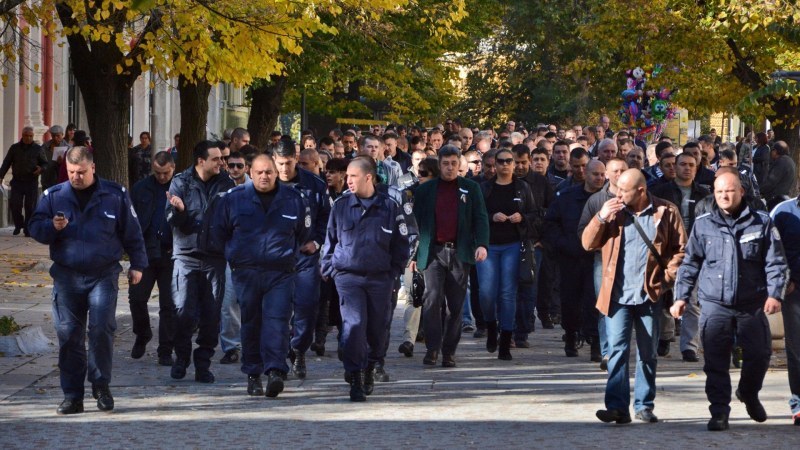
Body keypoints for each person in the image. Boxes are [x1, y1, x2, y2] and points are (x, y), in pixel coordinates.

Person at [29, 146, 147, 415]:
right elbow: (35, 227)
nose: (76, 177)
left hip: (103, 274)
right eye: (71, 172)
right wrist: (52, 227)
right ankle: (73, 395)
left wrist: (138, 264)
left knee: (101, 329)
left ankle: (101, 384)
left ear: (92, 167)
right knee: (69, 335)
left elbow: (132, 231)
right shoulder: (54, 196)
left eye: (81, 172)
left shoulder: (114, 195)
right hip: (67, 277)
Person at [671, 172, 787, 431]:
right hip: (715, 303)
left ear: (742, 192)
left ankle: (748, 392)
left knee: (759, 355)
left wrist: (774, 294)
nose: (724, 196)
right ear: (714, 192)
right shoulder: (703, 224)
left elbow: (775, 262)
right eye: (720, 191)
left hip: (751, 303)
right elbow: (690, 263)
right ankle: (719, 411)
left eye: (730, 191)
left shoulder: (762, 223)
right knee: (716, 360)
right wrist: (680, 297)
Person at [583, 169, 686, 424]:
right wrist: (601, 217)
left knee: (648, 353)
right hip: (617, 295)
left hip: (649, 295)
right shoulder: (613, 213)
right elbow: (587, 243)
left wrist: (665, 281)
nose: (617, 194)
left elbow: (681, 250)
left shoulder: (666, 211)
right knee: (617, 350)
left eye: (623, 190)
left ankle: (644, 405)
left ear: (640, 191)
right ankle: (617, 407)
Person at [206, 154, 310, 398]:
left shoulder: (293, 199)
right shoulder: (233, 199)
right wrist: (236, 259)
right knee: (251, 323)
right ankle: (253, 373)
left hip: (280, 273)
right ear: (250, 173)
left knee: (277, 321)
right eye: (260, 172)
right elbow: (218, 233)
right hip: (246, 272)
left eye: (269, 172)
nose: (264, 176)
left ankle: (275, 370)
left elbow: (302, 234)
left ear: (276, 174)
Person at [320, 158, 409, 402]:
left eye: (353, 176)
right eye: (347, 176)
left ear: (368, 177)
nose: (347, 180)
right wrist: (329, 268)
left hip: (381, 278)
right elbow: (330, 240)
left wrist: (394, 272)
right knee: (354, 325)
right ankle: (355, 375)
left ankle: (371, 365)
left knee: (377, 329)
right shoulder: (341, 206)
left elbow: (401, 245)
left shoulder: (389, 207)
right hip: (348, 277)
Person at [412, 145, 489, 367]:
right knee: (432, 299)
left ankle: (449, 351)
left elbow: (481, 218)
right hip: (433, 251)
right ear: (439, 164)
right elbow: (416, 224)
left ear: (460, 165)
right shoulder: (425, 190)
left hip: (459, 251)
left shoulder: (470, 188)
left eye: (454, 163)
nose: (449, 168)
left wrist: (482, 244)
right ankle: (432, 348)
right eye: (445, 163)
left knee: (455, 305)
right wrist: (415, 254)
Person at [166, 140, 234, 383]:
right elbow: (172, 220)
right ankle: (181, 357)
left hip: (215, 257)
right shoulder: (181, 182)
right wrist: (180, 211)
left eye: (221, 158)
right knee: (184, 311)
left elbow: (233, 218)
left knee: (211, 314)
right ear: (201, 161)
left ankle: (203, 363)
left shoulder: (226, 183)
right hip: (187, 256)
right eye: (216, 159)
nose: (221, 163)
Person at [274, 142, 330, 379]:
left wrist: (316, 242)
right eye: (280, 164)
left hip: (305, 255)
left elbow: (327, 219)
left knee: (307, 308)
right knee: (277, 310)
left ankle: (299, 349)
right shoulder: (266, 183)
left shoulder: (314, 185)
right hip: (275, 257)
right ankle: (279, 356)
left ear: (296, 159)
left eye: (289, 163)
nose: (285, 169)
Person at [477, 148, 538, 359]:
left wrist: (522, 217)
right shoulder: (485, 188)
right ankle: (491, 326)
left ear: (514, 164)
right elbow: (478, 215)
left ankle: (505, 340)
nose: (504, 165)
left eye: (508, 161)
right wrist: (493, 216)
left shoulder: (522, 188)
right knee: (486, 293)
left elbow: (534, 214)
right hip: (489, 245)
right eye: (500, 161)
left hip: (513, 244)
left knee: (507, 293)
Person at [649, 153, 710, 361]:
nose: (687, 168)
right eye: (682, 164)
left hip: (695, 252)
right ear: (675, 166)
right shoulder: (660, 191)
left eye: (691, 164)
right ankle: (665, 336)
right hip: (666, 252)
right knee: (664, 295)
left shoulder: (704, 194)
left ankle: (689, 346)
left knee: (692, 300)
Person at [545, 159, 606, 358]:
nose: (599, 178)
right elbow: (551, 223)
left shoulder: (608, 199)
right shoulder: (567, 197)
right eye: (595, 174)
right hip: (570, 257)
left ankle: (595, 341)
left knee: (594, 301)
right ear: (585, 175)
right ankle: (571, 335)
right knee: (570, 302)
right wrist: (562, 244)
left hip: (596, 258)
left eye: (602, 174)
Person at [578, 158, 629, 369]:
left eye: (623, 170)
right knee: (605, 304)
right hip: (604, 259)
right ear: (606, 174)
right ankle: (607, 351)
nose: (619, 174)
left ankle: (621, 347)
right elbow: (582, 232)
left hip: (630, 258)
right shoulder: (597, 200)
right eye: (615, 171)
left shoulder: (639, 198)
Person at [128, 151, 178, 366]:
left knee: (169, 305)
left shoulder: (181, 187)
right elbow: (130, 221)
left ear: (173, 168)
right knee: (137, 298)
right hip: (145, 252)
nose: (161, 177)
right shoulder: (141, 188)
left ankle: (165, 350)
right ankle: (143, 332)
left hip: (172, 253)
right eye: (157, 173)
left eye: (165, 173)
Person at [512, 145, 554, 345]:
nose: (519, 167)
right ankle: (510, 327)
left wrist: (544, 240)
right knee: (508, 288)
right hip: (507, 240)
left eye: (523, 162)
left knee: (528, 286)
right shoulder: (504, 181)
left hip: (533, 241)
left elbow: (552, 212)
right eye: (516, 162)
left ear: (528, 161)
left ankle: (523, 330)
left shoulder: (540, 182)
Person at [398, 158, 439, 357]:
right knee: (412, 294)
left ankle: (433, 339)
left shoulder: (440, 195)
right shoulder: (409, 194)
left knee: (432, 297)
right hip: (413, 252)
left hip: (436, 253)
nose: (419, 177)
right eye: (418, 172)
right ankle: (409, 339)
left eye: (424, 173)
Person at [769, 197, 800, 426]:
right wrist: (782, 280)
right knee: (797, 349)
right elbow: (771, 250)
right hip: (795, 291)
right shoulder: (782, 211)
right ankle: (799, 404)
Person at [218, 152, 251, 365]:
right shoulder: (222, 188)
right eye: (232, 165)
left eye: (240, 165)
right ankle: (231, 347)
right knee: (228, 302)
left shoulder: (255, 188)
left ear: (246, 167)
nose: (235, 169)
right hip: (231, 254)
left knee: (254, 303)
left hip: (255, 255)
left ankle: (254, 344)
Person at [0, 126, 47, 236]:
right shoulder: (15, 148)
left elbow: (45, 163)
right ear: (22, 136)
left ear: (33, 136)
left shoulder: (38, 149)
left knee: (30, 206)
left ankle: (28, 228)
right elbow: (6, 162)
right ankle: (18, 224)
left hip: (31, 181)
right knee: (15, 204)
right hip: (17, 181)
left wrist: (41, 169)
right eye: (26, 136)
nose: (28, 138)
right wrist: (1, 175)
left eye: (31, 136)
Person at [759, 140, 797, 208]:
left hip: (776, 199)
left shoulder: (781, 162)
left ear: (775, 151)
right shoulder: (789, 160)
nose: (771, 153)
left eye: (772, 150)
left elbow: (771, 181)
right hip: (782, 197)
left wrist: (760, 191)